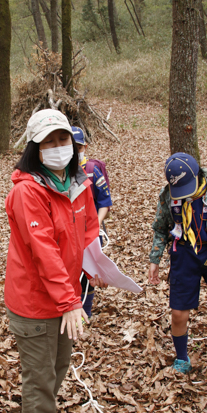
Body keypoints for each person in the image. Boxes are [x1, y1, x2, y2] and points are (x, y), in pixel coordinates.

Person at [5, 109, 107, 413]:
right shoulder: (28, 192)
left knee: (59, 365)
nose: (58, 147)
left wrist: (95, 266)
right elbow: (43, 250)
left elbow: (89, 230)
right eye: (48, 141)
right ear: (35, 148)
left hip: (66, 295)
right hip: (35, 302)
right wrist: (69, 301)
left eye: (63, 139)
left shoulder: (79, 184)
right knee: (40, 375)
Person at [148, 152, 207, 375]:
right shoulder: (168, 196)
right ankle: (182, 358)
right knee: (179, 314)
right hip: (184, 254)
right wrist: (155, 259)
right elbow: (160, 227)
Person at [71, 126, 113, 318]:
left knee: (90, 272)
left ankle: (86, 312)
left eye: (78, 147)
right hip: (70, 233)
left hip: (91, 232)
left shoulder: (92, 170)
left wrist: (95, 224)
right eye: (71, 147)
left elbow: (105, 201)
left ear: (85, 147)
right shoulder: (62, 171)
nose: (75, 151)